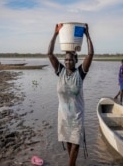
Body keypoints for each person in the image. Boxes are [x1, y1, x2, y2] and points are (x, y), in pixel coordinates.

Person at [47, 23, 94, 166]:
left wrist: (87, 35)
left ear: (75, 61)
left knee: (76, 142)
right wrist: (55, 34)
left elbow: (90, 54)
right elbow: (49, 53)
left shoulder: (80, 73)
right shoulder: (60, 71)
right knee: (68, 141)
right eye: (66, 59)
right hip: (64, 115)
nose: (67, 62)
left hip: (77, 116)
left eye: (70, 59)